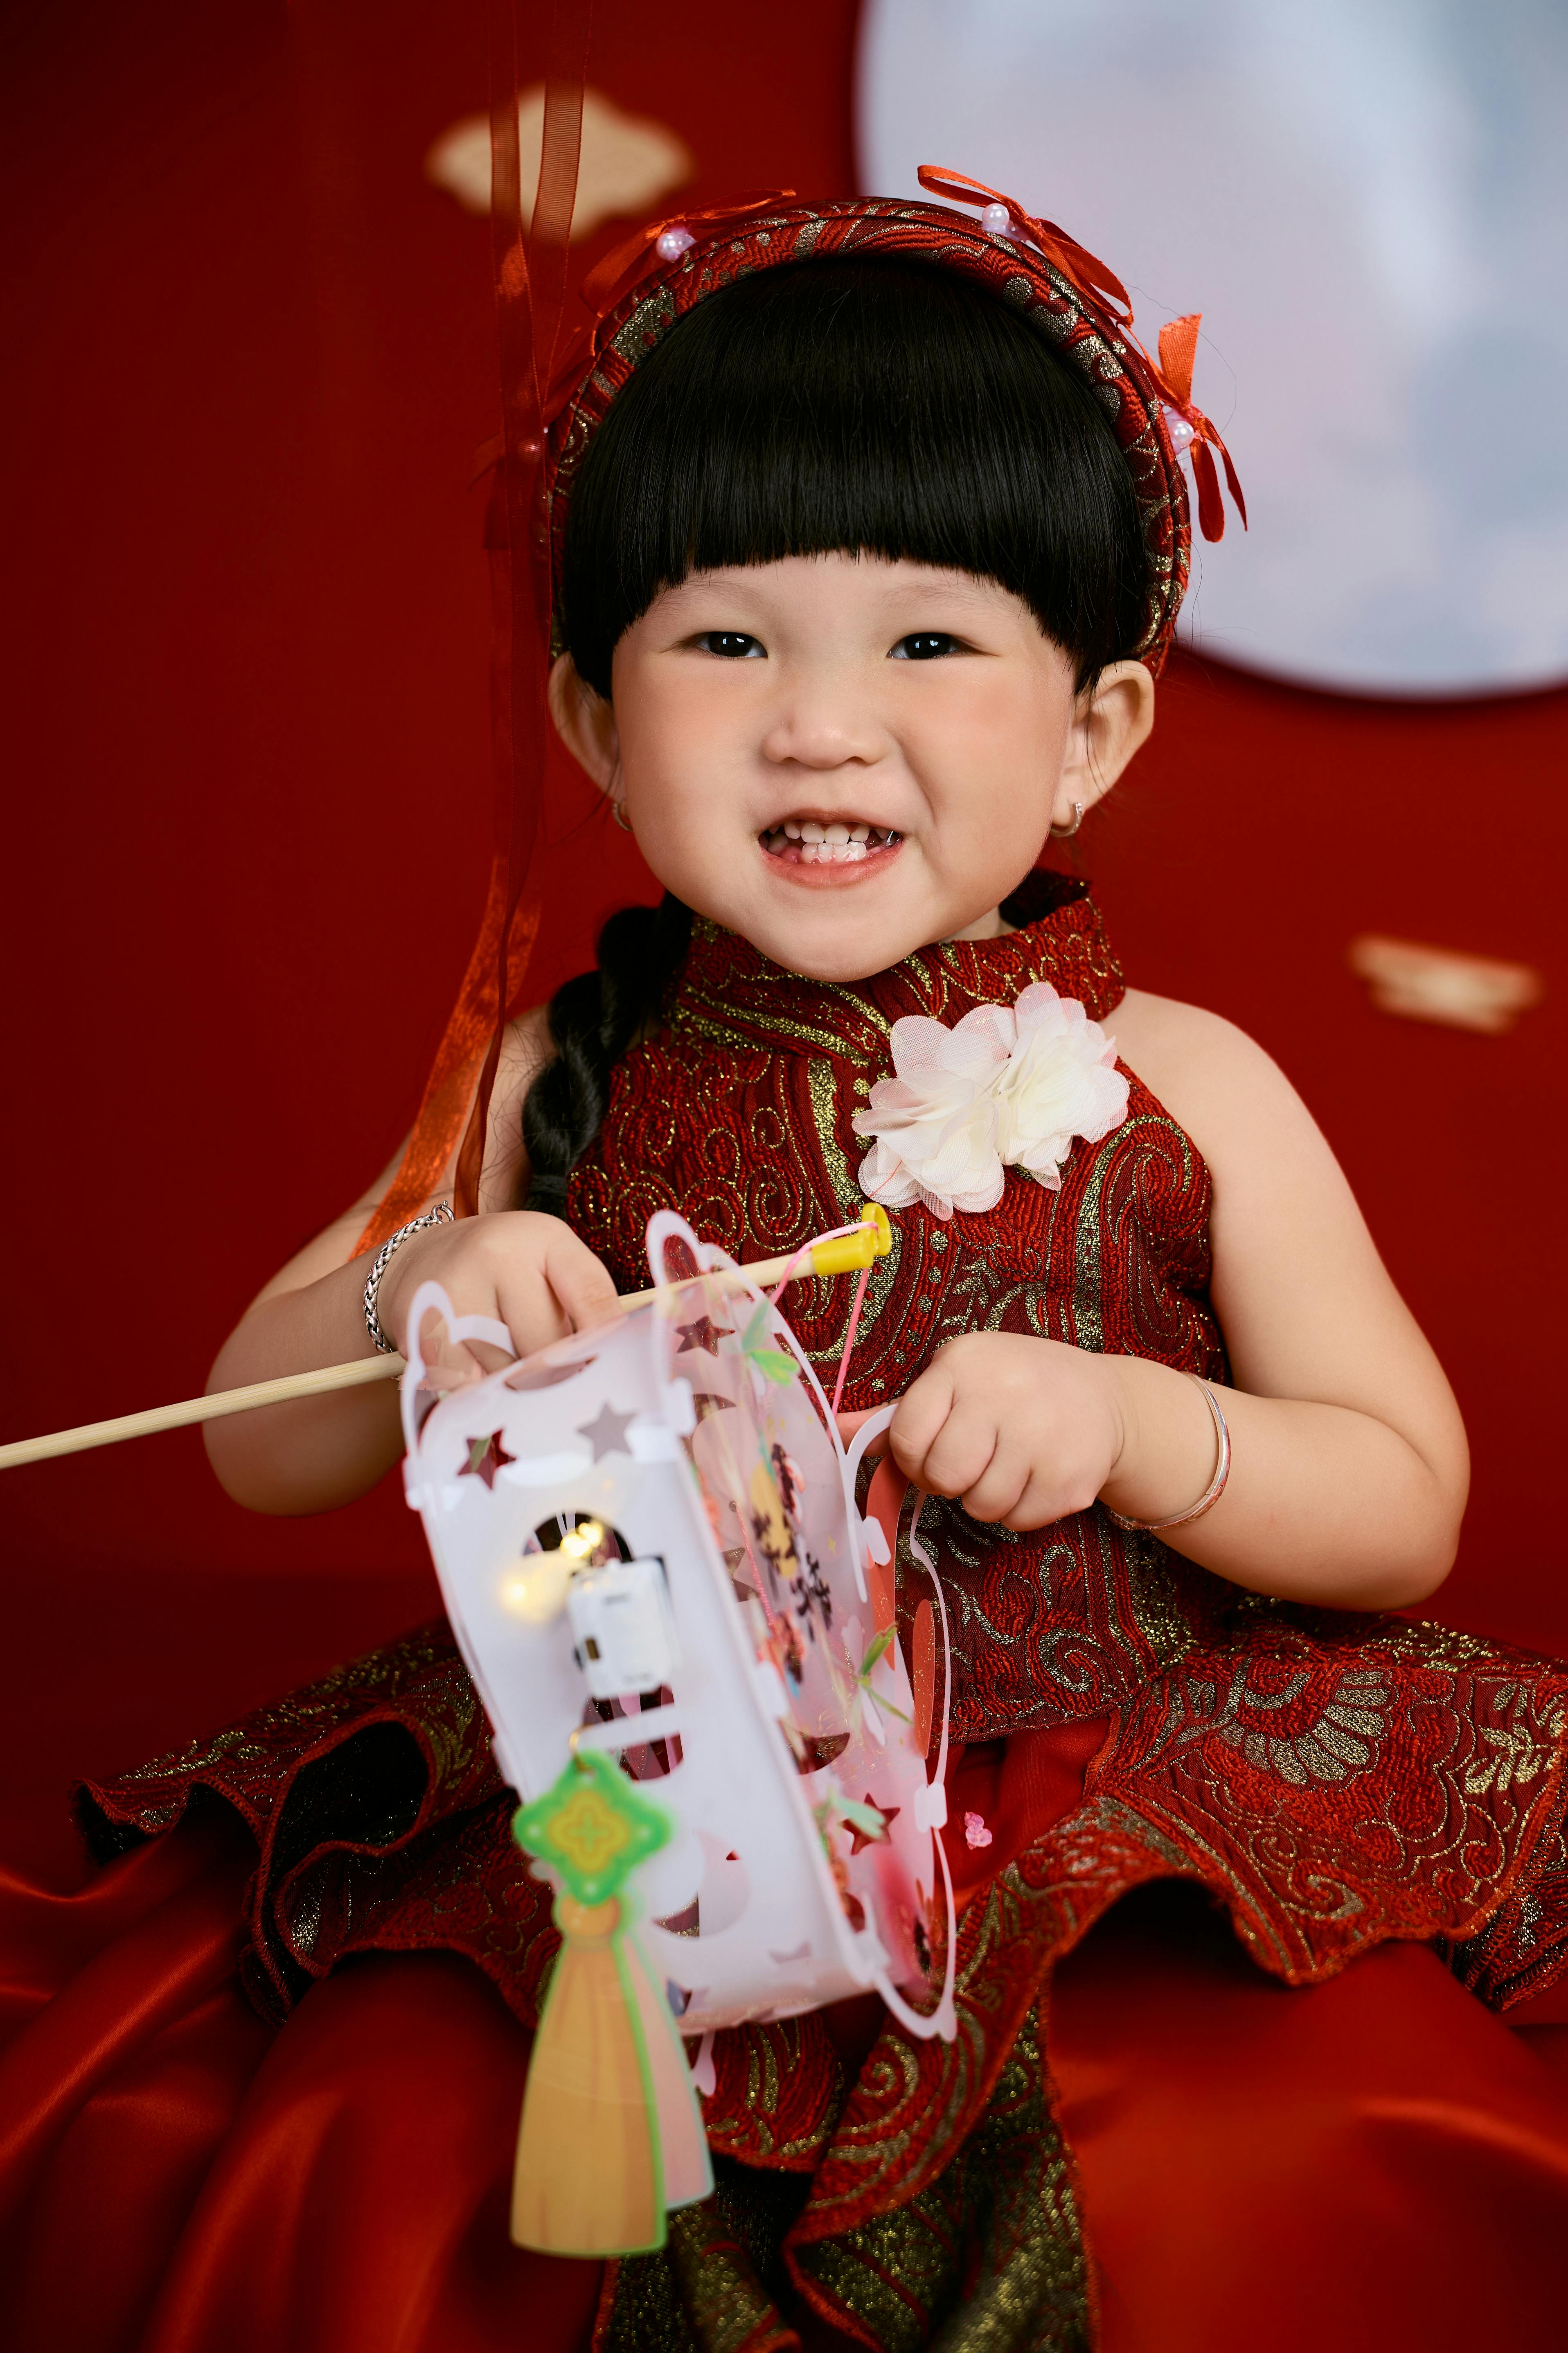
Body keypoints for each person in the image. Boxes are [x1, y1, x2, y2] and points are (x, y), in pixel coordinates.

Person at [5, 186, 1568, 2353]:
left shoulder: (1172, 1079)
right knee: (401, 2152)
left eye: (927, 642)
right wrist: (419, 1289)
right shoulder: (564, 1061)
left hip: (1092, 1789)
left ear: (1093, 725)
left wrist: (1134, 1424)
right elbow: (259, 1444)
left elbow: (1400, 1500)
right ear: (584, 712)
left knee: (1240, 2169)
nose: (819, 724)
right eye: (725, 640)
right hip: (643, 1780)